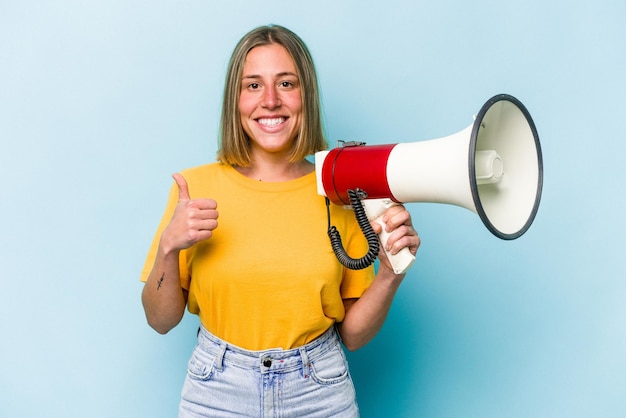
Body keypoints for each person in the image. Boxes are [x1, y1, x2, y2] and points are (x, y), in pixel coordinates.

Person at [140, 24, 420, 417]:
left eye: (286, 83)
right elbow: (160, 320)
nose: (270, 101)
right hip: (217, 389)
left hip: (318, 390)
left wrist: (391, 273)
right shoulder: (194, 187)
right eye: (253, 85)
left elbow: (353, 337)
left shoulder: (340, 190)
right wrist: (169, 247)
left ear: (305, 95)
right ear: (234, 100)